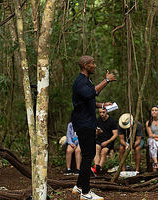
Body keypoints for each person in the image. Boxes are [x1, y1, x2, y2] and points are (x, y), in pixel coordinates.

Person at [71, 55, 116, 200]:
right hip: (84, 124)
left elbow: (87, 100)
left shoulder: (87, 81)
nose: (95, 65)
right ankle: (85, 193)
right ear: (85, 65)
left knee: (88, 156)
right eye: (92, 63)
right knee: (88, 156)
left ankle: (78, 187)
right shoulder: (80, 81)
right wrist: (106, 80)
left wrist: (102, 105)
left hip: (87, 123)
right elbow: (91, 93)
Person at [91, 108, 118, 175]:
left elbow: (115, 134)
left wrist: (107, 142)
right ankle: (96, 167)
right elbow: (95, 133)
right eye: (100, 112)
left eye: (103, 112)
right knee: (96, 148)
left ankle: (99, 168)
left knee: (103, 152)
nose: (101, 114)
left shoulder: (112, 121)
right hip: (100, 139)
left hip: (109, 140)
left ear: (106, 112)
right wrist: (98, 132)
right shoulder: (98, 120)